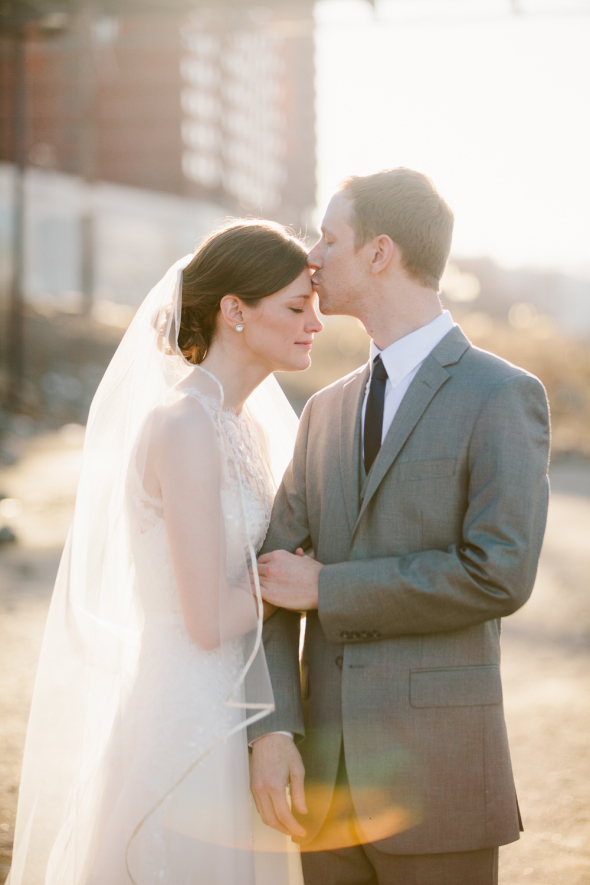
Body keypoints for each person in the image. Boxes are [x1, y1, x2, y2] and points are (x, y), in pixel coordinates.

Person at [249, 168, 551, 885]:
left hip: (439, 781)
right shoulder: (322, 410)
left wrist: (331, 589)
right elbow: (268, 577)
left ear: (380, 252)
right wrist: (272, 730)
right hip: (321, 788)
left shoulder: (502, 395)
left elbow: (499, 570)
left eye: (328, 237)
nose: (311, 257)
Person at [8, 220, 323, 885]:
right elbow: (206, 617)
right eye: (298, 306)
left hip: (239, 712)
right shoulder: (182, 427)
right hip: (187, 717)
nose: (316, 322)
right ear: (234, 311)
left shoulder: (246, 430)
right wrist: (303, 583)